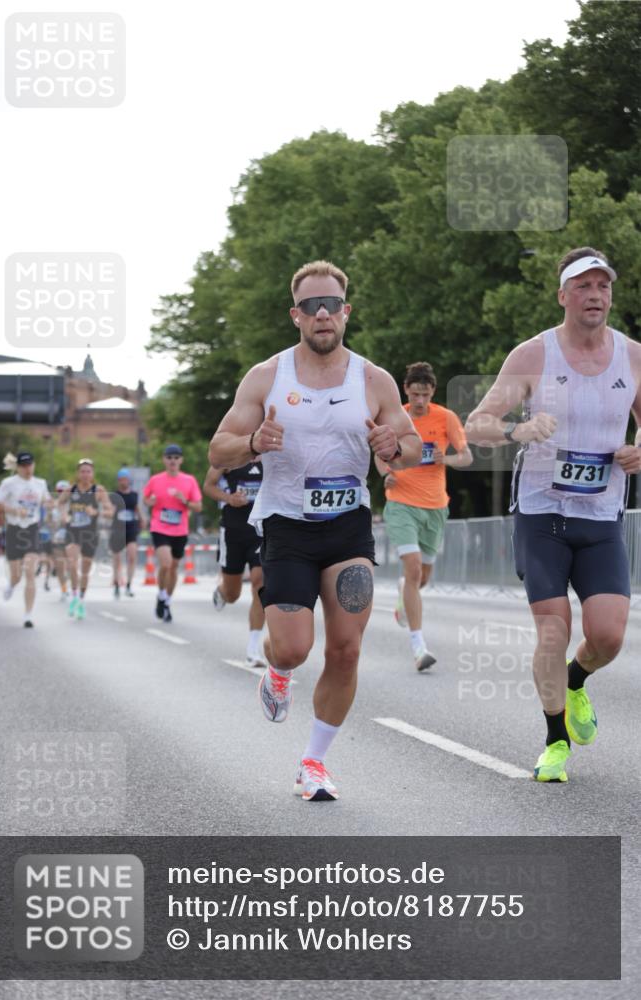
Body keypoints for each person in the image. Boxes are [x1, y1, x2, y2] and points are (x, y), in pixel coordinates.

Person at [208, 259, 422, 801]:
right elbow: (217, 450)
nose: (322, 314)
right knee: (294, 648)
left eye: (332, 305)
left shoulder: (373, 380)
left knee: (347, 649)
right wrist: (255, 442)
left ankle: (313, 763)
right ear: (296, 316)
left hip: (348, 524)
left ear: (346, 313)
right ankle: (278, 672)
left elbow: (413, 446)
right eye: (311, 306)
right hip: (286, 525)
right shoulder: (266, 376)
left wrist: (393, 448)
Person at [465, 247, 641, 783]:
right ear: (563, 295)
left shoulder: (632, 356)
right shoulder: (533, 356)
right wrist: (518, 430)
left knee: (608, 636)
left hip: (602, 513)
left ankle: (575, 681)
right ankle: (555, 741)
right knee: (551, 629)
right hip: (542, 513)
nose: (595, 296)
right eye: (583, 287)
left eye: (602, 287)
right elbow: (477, 423)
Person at [375, 361, 472, 670]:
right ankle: (419, 646)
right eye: (415, 394)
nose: (419, 401)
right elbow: (379, 455)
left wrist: (450, 458)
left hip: (435, 506)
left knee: (421, 577)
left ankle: (406, 595)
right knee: (414, 568)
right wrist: (385, 474)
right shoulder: (396, 416)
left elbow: (467, 457)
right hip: (401, 502)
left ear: (433, 391)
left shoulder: (446, 418)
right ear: (406, 390)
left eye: (425, 394)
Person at [203, 461, 266, 667]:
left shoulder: (272, 454)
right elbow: (209, 486)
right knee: (233, 594)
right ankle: (222, 591)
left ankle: (253, 649)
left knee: (260, 583)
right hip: (233, 532)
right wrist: (229, 498)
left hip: (261, 532)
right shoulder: (232, 454)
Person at [143, 445, 202, 623]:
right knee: (166, 564)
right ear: (164, 460)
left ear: (181, 460)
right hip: (159, 527)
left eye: (176, 457)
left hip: (180, 529)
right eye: (169, 457)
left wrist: (185, 501)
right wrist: (150, 501)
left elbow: (198, 506)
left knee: (174, 567)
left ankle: (166, 601)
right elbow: (145, 499)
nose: (173, 461)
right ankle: (161, 594)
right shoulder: (155, 480)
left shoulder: (189, 480)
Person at [0, 452, 51, 627]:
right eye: (24, 465)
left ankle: (28, 615)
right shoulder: (8, 483)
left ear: (34, 465)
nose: (28, 469)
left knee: (30, 573)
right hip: (14, 530)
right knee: (17, 576)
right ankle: (11, 585)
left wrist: (56, 502)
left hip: (32, 530)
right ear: (18, 467)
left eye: (30, 465)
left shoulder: (40, 483)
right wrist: (16, 511)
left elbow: (46, 501)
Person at [58, 459, 111, 620]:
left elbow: (110, 511)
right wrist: (64, 515)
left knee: (85, 570)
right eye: (82, 471)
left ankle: (81, 599)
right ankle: (73, 596)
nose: (85, 474)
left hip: (90, 534)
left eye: (88, 471)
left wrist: (97, 513)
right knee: (72, 564)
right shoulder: (70, 490)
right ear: (78, 473)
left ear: (92, 473)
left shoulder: (99, 490)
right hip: (73, 531)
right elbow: (59, 504)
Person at [109, 468, 146, 598]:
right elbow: (110, 510)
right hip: (118, 528)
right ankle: (117, 583)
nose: (123, 482)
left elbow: (136, 508)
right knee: (117, 558)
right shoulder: (114, 495)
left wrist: (142, 519)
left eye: (125, 479)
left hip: (131, 528)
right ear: (118, 481)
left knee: (132, 556)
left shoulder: (134, 495)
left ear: (128, 480)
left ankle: (129, 584)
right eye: (120, 480)